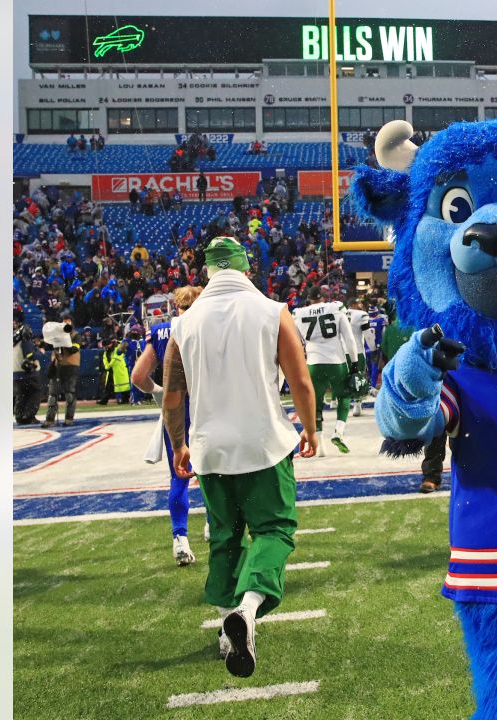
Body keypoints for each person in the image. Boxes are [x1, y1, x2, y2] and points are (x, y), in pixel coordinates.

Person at [162, 237, 319, 678]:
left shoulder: (184, 323)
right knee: (274, 529)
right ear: (247, 268)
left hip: (210, 449)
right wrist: (309, 428)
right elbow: (300, 381)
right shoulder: (272, 311)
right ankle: (247, 611)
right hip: (263, 443)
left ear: (209, 272)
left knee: (226, 539)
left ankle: (226, 626)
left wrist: (178, 444)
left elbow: (173, 394)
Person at [131, 287, 204, 567]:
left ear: (176, 306)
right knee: (214, 472)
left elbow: (138, 375)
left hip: (175, 409)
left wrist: (160, 391)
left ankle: (180, 538)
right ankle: (214, 526)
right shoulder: (207, 325)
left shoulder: (162, 330)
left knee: (179, 475)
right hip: (205, 407)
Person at [291, 297, 362, 454]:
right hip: (336, 361)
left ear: (309, 300)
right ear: (323, 299)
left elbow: (296, 342)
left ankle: (320, 446)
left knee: (315, 404)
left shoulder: (300, 313)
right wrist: (355, 364)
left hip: (313, 363)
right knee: (344, 396)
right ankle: (338, 432)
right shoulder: (336, 309)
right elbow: (349, 339)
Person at [41, 316, 80, 428]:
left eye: (68, 323)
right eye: (64, 323)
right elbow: (47, 344)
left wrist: (62, 342)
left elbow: (74, 349)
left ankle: (69, 419)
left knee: (69, 394)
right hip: (57, 365)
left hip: (71, 366)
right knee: (52, 395)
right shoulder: (55, 333)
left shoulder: (76, 335)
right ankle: (49, 419)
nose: (66, 325)